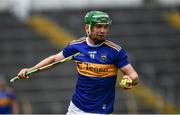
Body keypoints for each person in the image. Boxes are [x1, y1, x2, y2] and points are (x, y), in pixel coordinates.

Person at [17, 11, 139, 114]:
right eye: (98, 26)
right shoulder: (76, 46)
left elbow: (134, 76)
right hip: (76, 107)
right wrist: (31, 70)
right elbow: (54, 60)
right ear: (87, 28)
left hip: (100, 110)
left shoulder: (115, 51)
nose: (102, 30)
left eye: (105, 27)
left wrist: (130, 80)